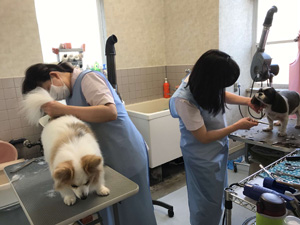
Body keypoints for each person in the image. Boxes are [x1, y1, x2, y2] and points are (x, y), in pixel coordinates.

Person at [22, 62, 157, 225]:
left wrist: (63, 110)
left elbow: (110, 112)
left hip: (124, 152)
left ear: (54, 75)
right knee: (110, 210)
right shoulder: (71, 92)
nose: (52, 97)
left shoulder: (88, 78)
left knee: (134, 210)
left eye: (48, 90)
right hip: (102, 159)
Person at [169, 49, 261, 225]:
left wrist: (247, 101)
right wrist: (237, 126)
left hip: (216, 149)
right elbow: (202, 137)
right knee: (205, 204)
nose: (221, 88)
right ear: (211, 79)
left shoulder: (204, 82)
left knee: (217, 197)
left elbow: (220, 94)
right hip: (201, 157)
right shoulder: (183, 99)